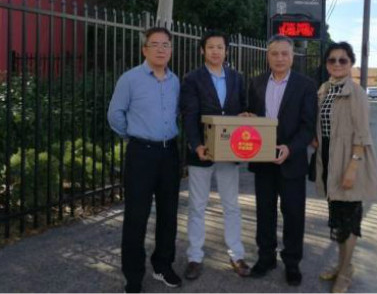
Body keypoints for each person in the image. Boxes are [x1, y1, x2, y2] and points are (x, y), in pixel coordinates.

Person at [107, 27, 182, 293]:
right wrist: (134, 136)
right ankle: (133, 275)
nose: (161, 49)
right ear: (144, 49)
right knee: (136, 216)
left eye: (166, 45)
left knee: (168, 213)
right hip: (141, 154)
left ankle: (163, 265)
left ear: (171, 50)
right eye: (155, 44)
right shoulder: (130, 79)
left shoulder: (175, 81)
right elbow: (115, 114)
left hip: (169, 153)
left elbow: (176, 113)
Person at [247, 35, 318, 286]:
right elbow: (252, 118)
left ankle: (292, 262)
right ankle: (266, 258)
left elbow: (307, 126)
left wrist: (290, 148)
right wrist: (247, 118)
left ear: (292, 57)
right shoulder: (256, 83)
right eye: (274, 53)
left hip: (291, 160)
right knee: (264, 212)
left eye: (284, 54)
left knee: (293, 214)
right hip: (262, 161)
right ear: (267, 56)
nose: (279, 58)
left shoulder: (306, 85)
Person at [180, 30, 251, 280]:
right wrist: (196, 145)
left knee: (231, 205)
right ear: (203, 50)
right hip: (202, 152)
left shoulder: (237, 78)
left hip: (229, 151)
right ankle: (195, 257)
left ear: (226, 51)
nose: (215, 51)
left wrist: (245, 115)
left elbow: (243, 108)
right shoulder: (192, 79)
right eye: (210, 47)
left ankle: (236, 254)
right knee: (197, 206)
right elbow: (189, 115)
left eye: (220, 47)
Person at [313, 41, 377, 293]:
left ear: (351, 63)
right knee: (338, 220)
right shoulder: (324, 89)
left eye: (343, 60)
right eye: (332, 60)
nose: (337, 64)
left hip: (349, 160)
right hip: (328, 159)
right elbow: (321, 124)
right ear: (326, 64)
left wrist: (353, 167)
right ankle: (344, 265)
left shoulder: (357, 93)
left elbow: (362, 134)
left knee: (350, 221)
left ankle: (344, 273)